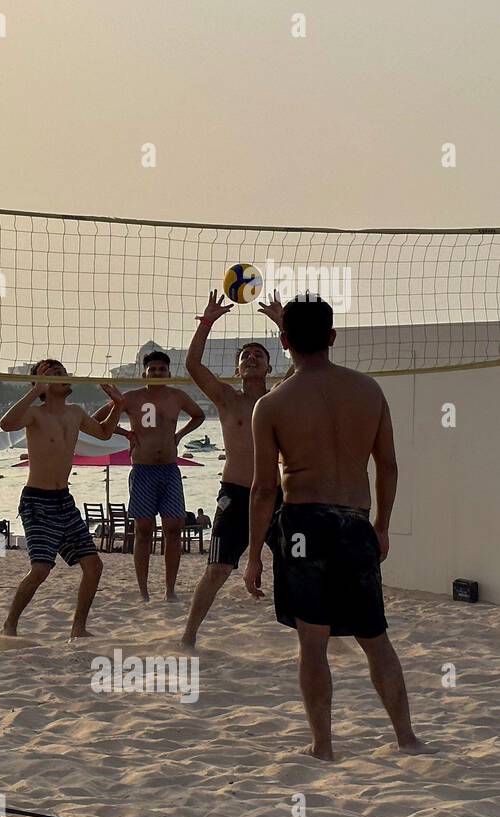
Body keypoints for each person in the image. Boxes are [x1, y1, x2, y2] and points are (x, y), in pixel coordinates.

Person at [244, 296, 434, 760]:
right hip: (354, 521)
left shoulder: (270, 405)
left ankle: (323, 746)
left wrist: (253, 555)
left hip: (304, 522)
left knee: (313, 641)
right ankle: (406, 737)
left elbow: (263, 490)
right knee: (375, 636)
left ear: (284, 341)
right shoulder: (369, 391)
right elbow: (387, 467)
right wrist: (382, 525)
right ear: (332, 337)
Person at [179, 290, 291, 648]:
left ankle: (316, 635)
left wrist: (283, 323)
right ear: (238, 369)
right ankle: (188, 635)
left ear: (269, 367)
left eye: (259, 355)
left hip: (275, 495)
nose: (253, 358)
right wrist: (207, 322)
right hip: (236, 493)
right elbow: (193, 366)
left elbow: (307, 360)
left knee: (297, 565)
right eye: (247, 356)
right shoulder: (227, 398)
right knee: (218, 569)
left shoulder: (280, 396)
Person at [0, 360, 124, 639]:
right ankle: (10, 625)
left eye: (62, 372)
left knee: (94, 566)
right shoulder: (35, 414)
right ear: (41, 385)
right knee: (41, 569)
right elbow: (6, 424)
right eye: (52, 374)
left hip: (64, 500)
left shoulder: (75, 413)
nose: (61, 376)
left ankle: (78, 628)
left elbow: (104, 433)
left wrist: (118, 405)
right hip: (37, 500)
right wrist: (34, 391)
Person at [98, 350, 205, 602]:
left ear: (168, 373)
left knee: (173, 528)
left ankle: (169, 589)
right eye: (153, 369)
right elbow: (98, 419)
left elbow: (199, 415)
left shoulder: (177, 395)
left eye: (162, 369)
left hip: (169, 468)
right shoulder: (131, 397)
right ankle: (143, 590)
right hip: (143, 469)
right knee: (144, 529)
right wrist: (125, 433)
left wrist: (179, 435)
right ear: (144, 372)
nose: (157, 373)